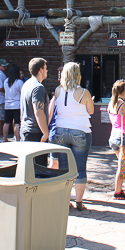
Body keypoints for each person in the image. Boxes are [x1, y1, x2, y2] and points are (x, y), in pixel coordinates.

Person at [49, 62, 93, 210]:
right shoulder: (84, 92)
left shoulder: (57, 91)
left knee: (63, 167)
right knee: (80, 167)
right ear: (77, 74)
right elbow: (91, 111)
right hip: (80, 130)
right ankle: (79, 201)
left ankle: (65, 199)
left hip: (61, 131)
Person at [107, 79, 125, 200]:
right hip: (124, 138)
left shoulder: (111, 104)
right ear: (124, 91)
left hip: (113, 137)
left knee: (122, 163)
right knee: (122, 166)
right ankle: (117, 192)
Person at [20, 58, 49, 147]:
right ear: (41, 70)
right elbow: (38, 112)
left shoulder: (26, 84)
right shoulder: (38, 88)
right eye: (45, 68)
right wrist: (45, 133)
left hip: (25, 129)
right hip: (35, 132)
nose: (47, 71)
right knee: (38, 161)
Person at [3, 64, 23, 142]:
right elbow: (22, 92)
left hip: (7, 105)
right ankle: (17, 139)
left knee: (7, 122)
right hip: (17, 105)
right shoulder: (19, 82)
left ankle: (4, 138)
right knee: (17, 123)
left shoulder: (6, 81)